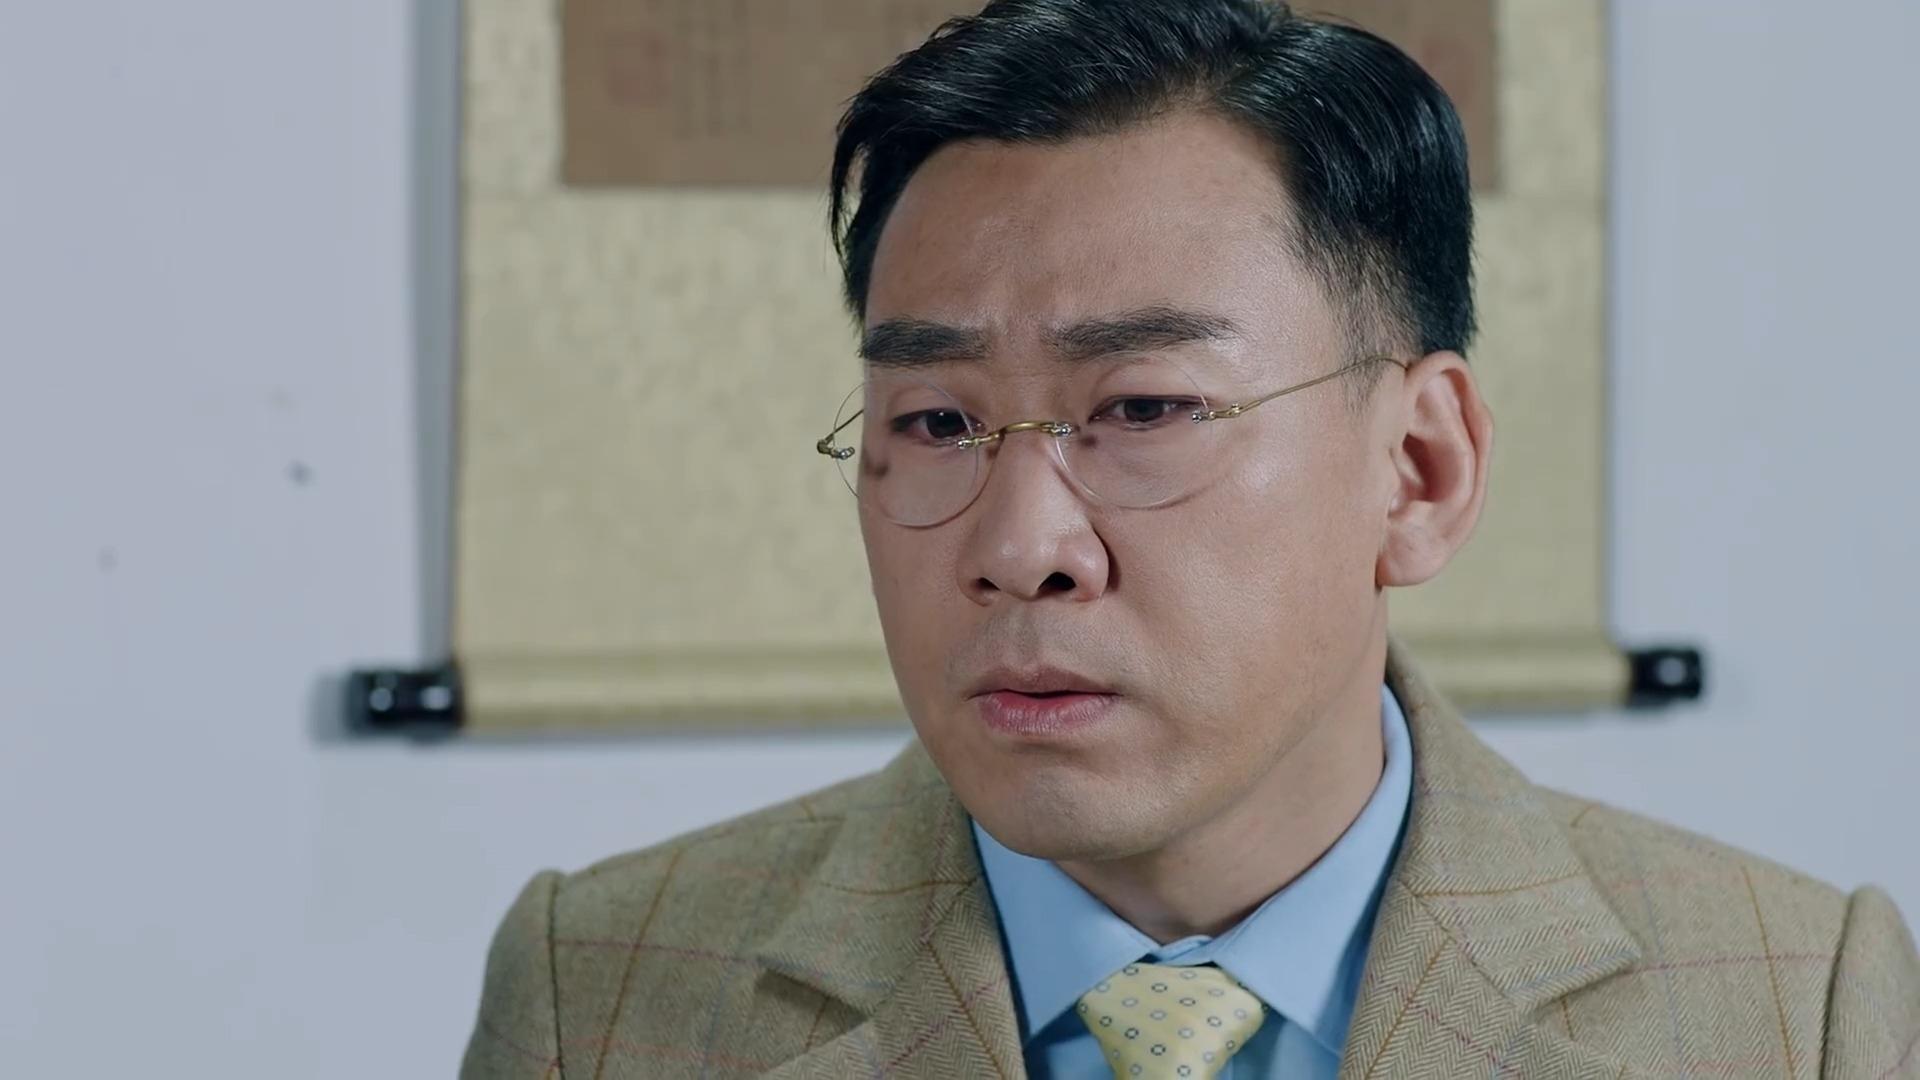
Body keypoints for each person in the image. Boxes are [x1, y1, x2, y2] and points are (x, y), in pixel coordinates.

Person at [461, 1, 1920, 1076]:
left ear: (1419, 472)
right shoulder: (601, 992)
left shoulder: (1797, 1010)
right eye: (940, 421)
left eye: (1144, 408)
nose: (1022, 545)